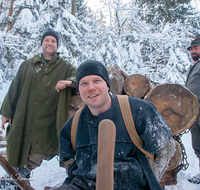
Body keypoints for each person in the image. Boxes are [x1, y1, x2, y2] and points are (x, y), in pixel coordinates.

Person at [56, 60, 173, 190]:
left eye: (96, 81)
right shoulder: (73, 125)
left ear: (107, 85)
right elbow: (69, 163)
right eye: (84, 83)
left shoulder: (138, 110)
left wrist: (152, 178)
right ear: (79, 89)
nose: (91, 87)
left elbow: (166, 148)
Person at [0, 28, 76, 187]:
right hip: (24, 115)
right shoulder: (28, 64)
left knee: (38, 151)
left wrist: (69, 82)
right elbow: (14, 87)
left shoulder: (64, 66)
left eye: (53, 41)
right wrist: (6, 112)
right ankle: (16, 180)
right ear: (42, 43)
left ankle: (18, 178)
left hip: (47, 118)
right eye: (47, 40)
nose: (50, 43)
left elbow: (78, 76)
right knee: (18, 146)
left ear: (57, 45)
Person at [186, 37, 200, 184]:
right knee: (198, 143)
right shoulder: (194, 66)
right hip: (196, 109)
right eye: (191, 49)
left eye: (196, 48)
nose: (193, 51)